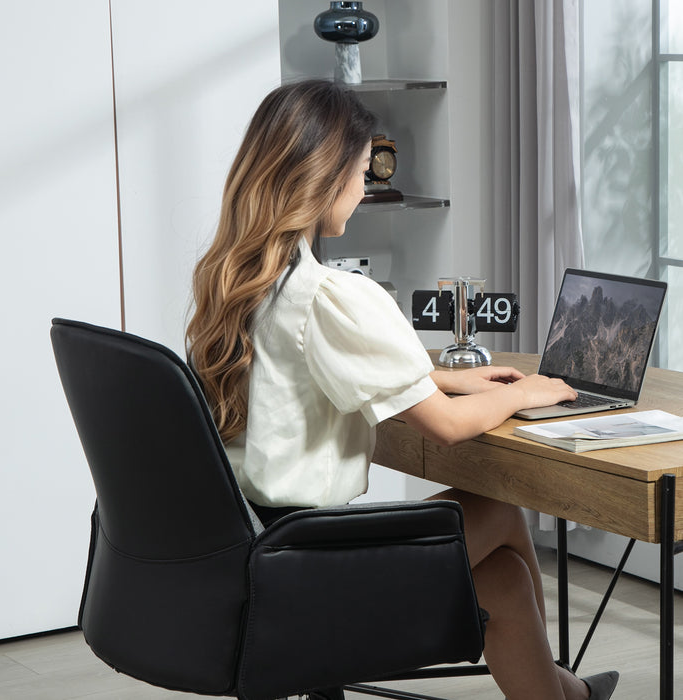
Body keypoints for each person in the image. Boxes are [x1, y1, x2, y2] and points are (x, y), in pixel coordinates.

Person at [186, 79, 619, 700]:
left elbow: (300, 367)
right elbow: (445, 426)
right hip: (304, 563)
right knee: (496, 508)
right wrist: (526, 393)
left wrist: (439, 375)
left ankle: (560, 693)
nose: (364, 190)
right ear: (325, 173)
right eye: (362, 172)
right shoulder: (330, 293)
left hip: (251, 547)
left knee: (500, 579)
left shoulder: (236, 283)